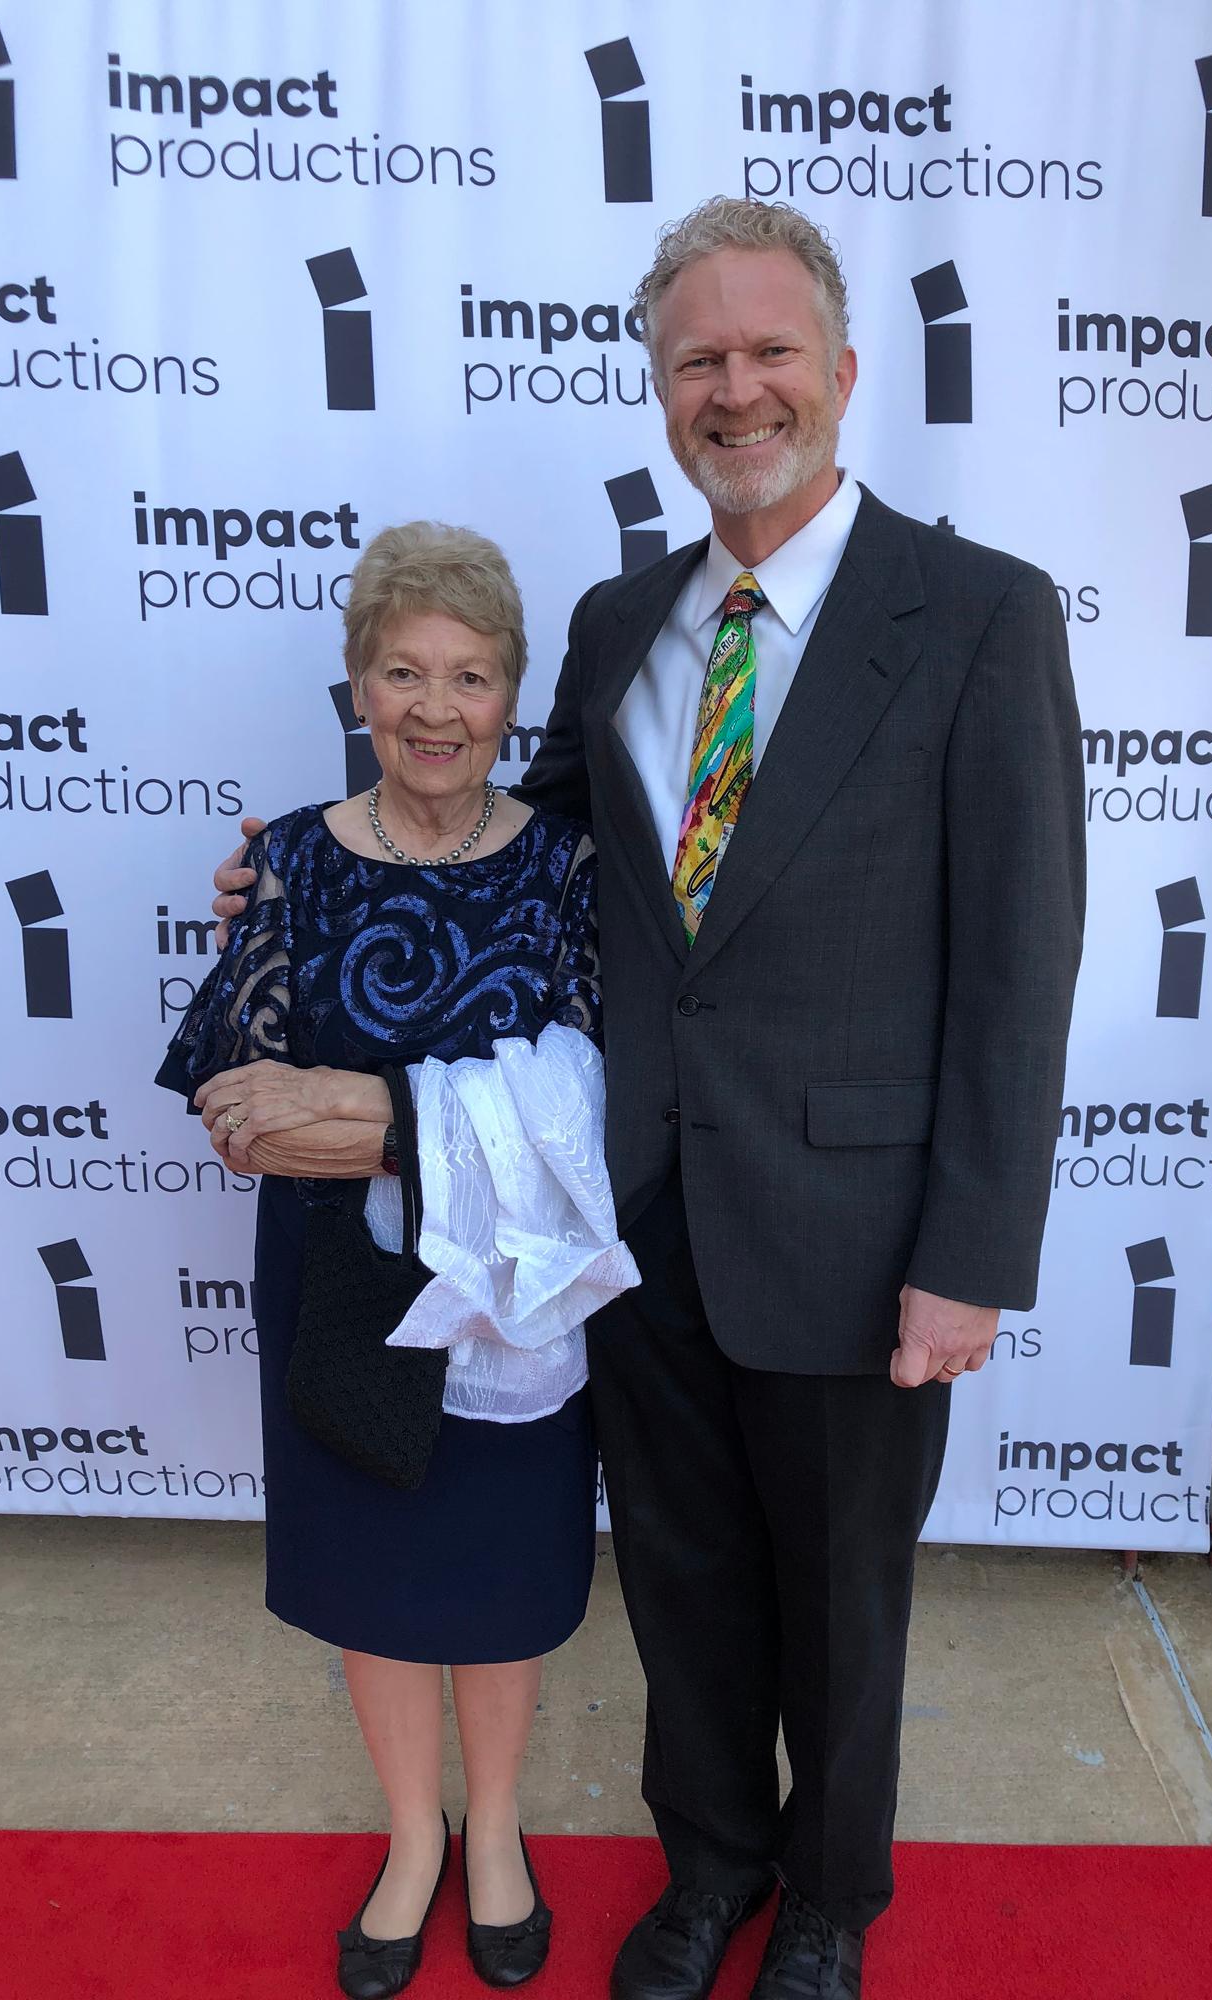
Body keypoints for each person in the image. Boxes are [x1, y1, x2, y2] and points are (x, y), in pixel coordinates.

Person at [215, 199, 1085, 2000]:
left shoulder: (981, 616)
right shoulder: (624, 620)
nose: (737, 388)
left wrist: (972, 1254)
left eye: (771, 352)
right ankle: (710, 1872)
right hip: (638, 1215)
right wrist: (301, 869)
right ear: (662, 393)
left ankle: (833, 1906)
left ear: (843, 374)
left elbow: (1020, 962)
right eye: (700, 359)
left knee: (843, 1610)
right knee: (685, 1587)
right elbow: (490, 819)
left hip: (860, 1232)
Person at [165, 521, 614, 1998]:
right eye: (405, 671)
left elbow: (606, 1094)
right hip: (339, 1291)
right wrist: (289, 1118)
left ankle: (497, 1831)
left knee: (494, 1574)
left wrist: (382, 1127)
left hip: (511, 1295)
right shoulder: (287, 857)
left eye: (472, 677)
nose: (438, 708)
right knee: (371, 1574)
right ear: (358, 686)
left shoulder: (564, 867)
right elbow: (237, 1094)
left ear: (513, 698)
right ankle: (411, 1835)